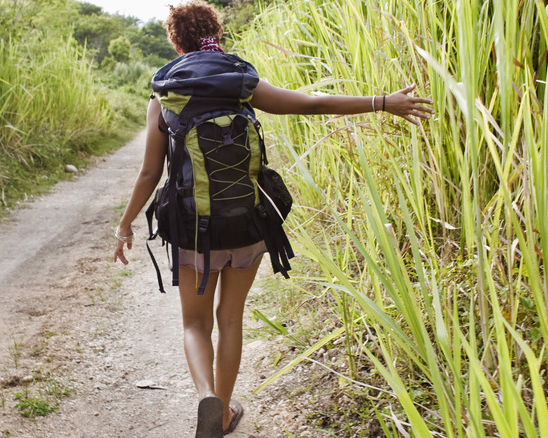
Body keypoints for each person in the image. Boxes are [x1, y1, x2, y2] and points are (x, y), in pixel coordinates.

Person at [113, 1, 434, 436]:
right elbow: (311, 104)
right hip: (247, 221)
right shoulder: (241, 82)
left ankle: (206, 394)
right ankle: (224, 412)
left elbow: (150, 173)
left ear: (175, 41)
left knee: (194, 322)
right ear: (216, 35)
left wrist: (126, 223)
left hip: (192, 227)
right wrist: (382, 102)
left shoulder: (165, 97)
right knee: (230, 318)